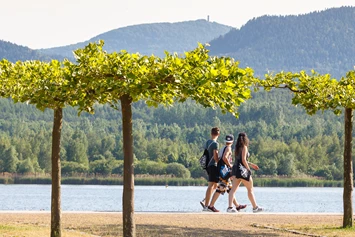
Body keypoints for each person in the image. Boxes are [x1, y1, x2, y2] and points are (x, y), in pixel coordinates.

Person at [201, 134, 247, 212]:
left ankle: (237, 205)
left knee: (229, 188)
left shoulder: (223, 148)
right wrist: (230, 165)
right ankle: (211, 205)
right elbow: (224, 158)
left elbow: (219, 158)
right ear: (232, 141)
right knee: (221, 187)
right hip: (224, 170)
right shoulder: (228, 148)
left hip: (221, 169)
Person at [227, 132, 263, 213]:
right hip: (243, 171)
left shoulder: (236, 148)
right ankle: (255, 207)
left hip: (236, 170)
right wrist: (248, 169)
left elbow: (239, 160)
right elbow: (243, 160)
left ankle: (230, 207)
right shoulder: (244, 147)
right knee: (250, 189)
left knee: (233, 190)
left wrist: (251, 164)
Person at [201, 127, 220, 212]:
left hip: (208, 165)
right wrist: (219, 162)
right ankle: (206, 206)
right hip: (213, 165)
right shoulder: (215, 144)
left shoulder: (208, 142)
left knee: (215, 185)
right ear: (218, 134)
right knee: (211, 185)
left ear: (211, 133)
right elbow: (215, 156)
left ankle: (206, 201)